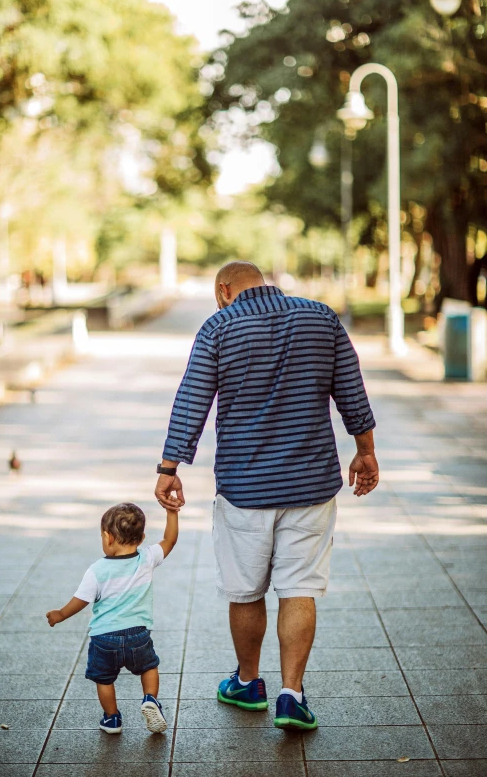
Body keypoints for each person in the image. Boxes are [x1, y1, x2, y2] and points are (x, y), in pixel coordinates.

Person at [155, 260, 378, 731]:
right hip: (311, 484)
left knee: (246, 589)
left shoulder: (219, 327)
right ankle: (291, 695)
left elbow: (192, 398)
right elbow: (351, 391)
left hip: (244, 487)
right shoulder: (321, 317)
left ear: (223, 290)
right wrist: (365, 452)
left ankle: (249, 682)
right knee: (299, 587)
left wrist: (169, 467)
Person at [46, 502, 178, 734]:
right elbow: (170, 539)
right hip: (139, 635)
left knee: (104, 679)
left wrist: (61, 614)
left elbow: (81, 600)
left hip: (104, 638)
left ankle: (112, 718)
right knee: (149, 667)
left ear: (107, 538)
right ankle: (150, 699)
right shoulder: (146, 559)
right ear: (142, 537)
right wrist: (172, 512)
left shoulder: (97, 570)